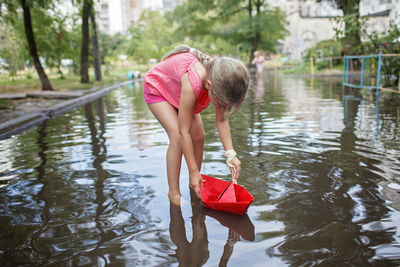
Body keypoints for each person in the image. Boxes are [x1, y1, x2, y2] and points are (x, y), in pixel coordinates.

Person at [142, 44, 250, 201]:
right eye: (221, 104)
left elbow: (221, 120)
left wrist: (230, 154)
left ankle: (195, 184)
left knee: (199, 136)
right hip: (158, 88)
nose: (222, 108)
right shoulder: (195, 81)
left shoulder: (221, 78)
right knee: (177, 137)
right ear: (209, 86)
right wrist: (192, 171)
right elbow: (183, 132)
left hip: (177, 89)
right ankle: (174, 193)